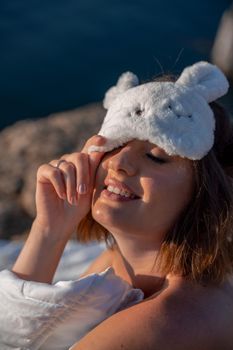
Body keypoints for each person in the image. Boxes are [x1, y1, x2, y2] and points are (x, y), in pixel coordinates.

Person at [1, 61, 233, 350]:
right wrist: (49, 229)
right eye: (114, 146)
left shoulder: (170, 318)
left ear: (204, 192)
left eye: (156, 156)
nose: (119, 164)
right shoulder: (119, 263)